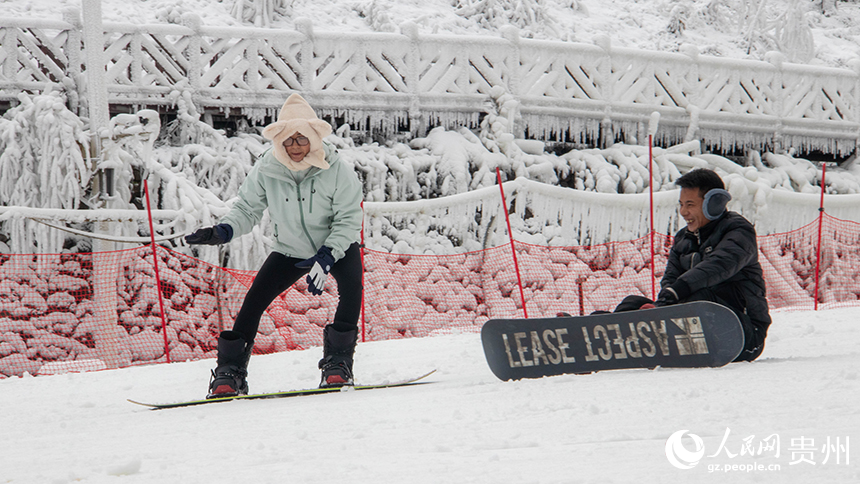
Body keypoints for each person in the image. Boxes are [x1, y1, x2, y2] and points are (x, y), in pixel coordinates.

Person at [185, 93, 364, 397]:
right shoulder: (268, 169)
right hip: (289, 251)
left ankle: (337, 364)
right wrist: (224, 231)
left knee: (352, 290)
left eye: (301, 139)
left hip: (338, 247)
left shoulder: (337, 170)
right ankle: (231, 372)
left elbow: (348, 219)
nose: (294, 146)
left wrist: (327, 255)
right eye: (288, 141)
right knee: (254, 301)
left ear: (313, 138)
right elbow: (247, 209)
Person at [614, 168, 770, 362]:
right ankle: (603, 338)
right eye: (681, 204)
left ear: (714, 204)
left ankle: (656, 332)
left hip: (742, 333)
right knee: (632, 303)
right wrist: (666, 299)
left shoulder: (739, 231)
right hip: (695, 319)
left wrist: (678, 290)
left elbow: (718, 265)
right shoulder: (683, 238)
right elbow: (671, 278)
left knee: (699, 299)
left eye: (690, 204)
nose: (683, 212)